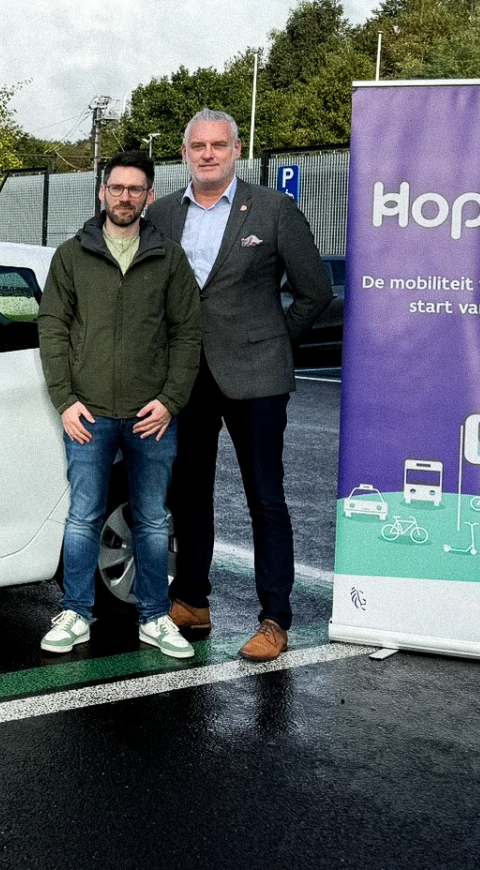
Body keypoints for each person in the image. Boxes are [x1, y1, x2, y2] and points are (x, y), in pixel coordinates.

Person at [147, 109, 333, 661]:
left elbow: (314, 291)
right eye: (198, 146)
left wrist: (275, 342)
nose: (208, 154)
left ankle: (275, 618)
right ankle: (191, 601)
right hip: (187, 378)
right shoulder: (161, 215)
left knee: (265, 499)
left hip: (257, 379)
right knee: (189, 494)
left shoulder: (275, 210)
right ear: (184, 153)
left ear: (237, 149)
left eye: (218, 145)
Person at [36, 151, 204, 659]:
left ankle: (155, 617)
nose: (125, 197)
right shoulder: (72, 255)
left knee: (152, 519)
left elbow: (187, 333)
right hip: (87, 414)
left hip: (150, 416)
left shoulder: (168, 258)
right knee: (83, 515)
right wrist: (65, 401)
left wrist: (171, 401)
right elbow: (52, 328)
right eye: (117, 188)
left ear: (149, 196)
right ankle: (75, 612)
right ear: (103, 192)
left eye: (135, 189)